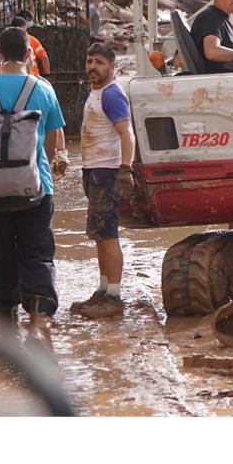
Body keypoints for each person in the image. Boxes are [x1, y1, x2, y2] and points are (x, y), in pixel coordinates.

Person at [0, 26, 67, 350]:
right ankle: (39, 320)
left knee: (3, 257)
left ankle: (6, 336)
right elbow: (52, 143)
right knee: (37, 254)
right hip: (36, 189)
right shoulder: (44, 89)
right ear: (29, 54)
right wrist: (40, 170)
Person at [71, 43, 136, 319]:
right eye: (89, 61)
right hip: (94, 170)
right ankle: (102, 290)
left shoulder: (111, 94)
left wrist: (125, 169)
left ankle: (114, 296)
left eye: (98, 62)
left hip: (108, 171)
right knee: (99, 233)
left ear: (112, 67)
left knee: (108, 234)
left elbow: (127, 134)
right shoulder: (97, 92)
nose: (92, 67)